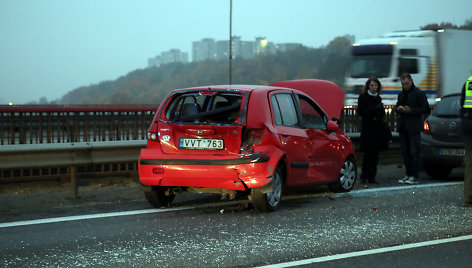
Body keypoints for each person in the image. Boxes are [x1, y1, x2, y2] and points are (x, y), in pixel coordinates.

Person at [396, 73, 430, 185]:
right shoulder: (401, 94)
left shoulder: (419, 93)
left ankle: (414, 175)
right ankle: (408, 173)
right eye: (403, 84)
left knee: (414, 151)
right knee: (405, 152)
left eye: (406, 83)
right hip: (403, 126)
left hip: (414, 126)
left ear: (411, 81)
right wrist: (399, 108)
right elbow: (397, 106)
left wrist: (411, 110)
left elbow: (425, 109)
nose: (405, 86)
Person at [357, 76, 386, 183]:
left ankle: (372, 176)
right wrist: (375, 108)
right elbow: (362, 112)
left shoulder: (378, 98)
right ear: (368, 86)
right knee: (368, 153)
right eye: (372, 85)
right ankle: (364, 175)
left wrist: (380, 110)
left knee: (375, 154)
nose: (374, 87)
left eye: (376, 85)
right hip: (368, 128)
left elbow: (381, 114)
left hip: (377, 128)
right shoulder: (363, 97)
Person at [461, 75, 472, 207]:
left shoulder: (468, 82)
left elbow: (462, 103)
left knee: (469, 161)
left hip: (466, 122)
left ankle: (469, 197)